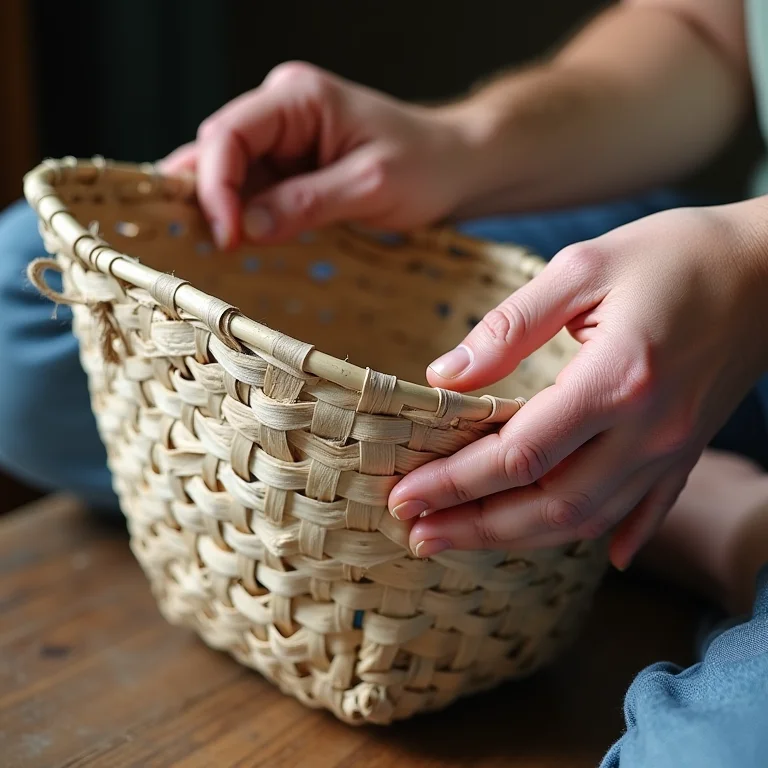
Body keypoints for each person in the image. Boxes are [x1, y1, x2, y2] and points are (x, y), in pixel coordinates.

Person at [2, 0, 768, 764]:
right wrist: (461, 143)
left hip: (739, 264)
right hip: (702, 256)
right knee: (24, 290)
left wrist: (751, 278)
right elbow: (702, 25)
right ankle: (622, 485)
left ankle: (730, 526)